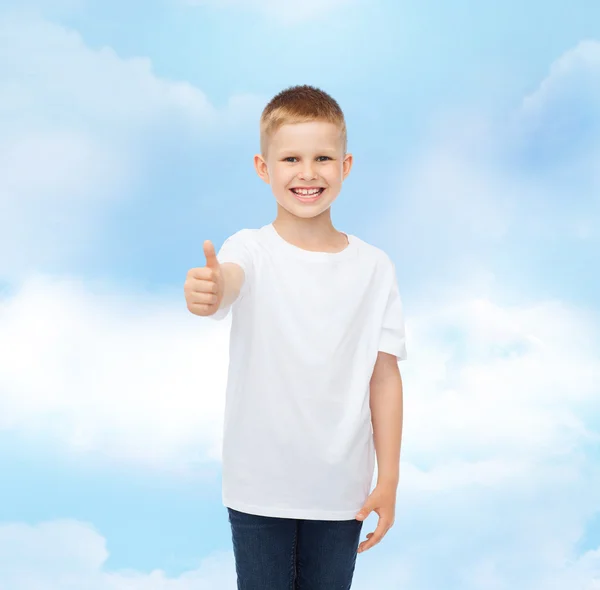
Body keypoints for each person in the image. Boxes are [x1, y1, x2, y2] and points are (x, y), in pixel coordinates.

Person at [184, 85, 407, 589]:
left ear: (345, 165)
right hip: (258, 486)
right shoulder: (250, 249)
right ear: (264, 169)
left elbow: (385, 376)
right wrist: (212, 289)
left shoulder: (374, 267)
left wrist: (388, 479)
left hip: (342, 492)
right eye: (291, 158)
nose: (308, 172)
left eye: (322, 157)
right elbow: (229, 281)